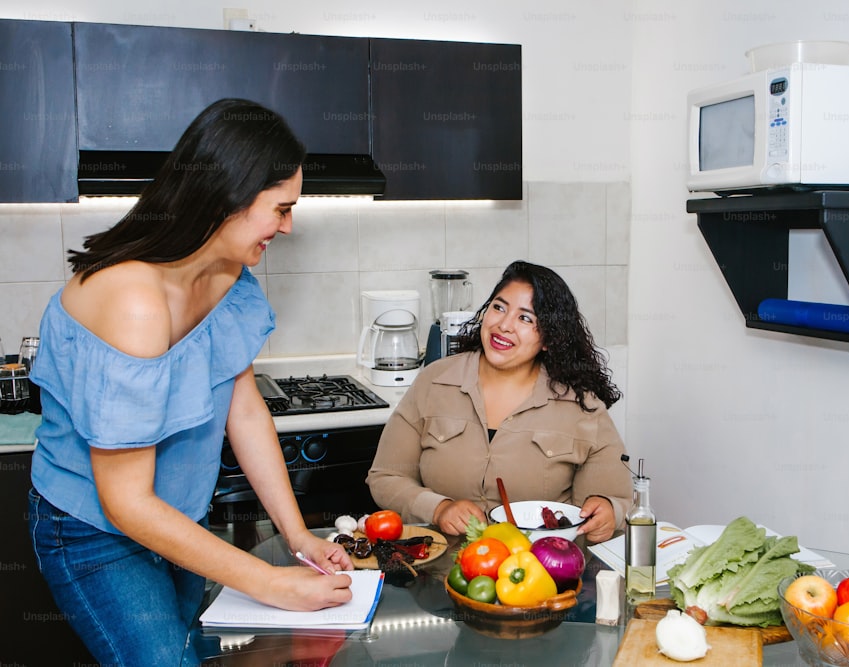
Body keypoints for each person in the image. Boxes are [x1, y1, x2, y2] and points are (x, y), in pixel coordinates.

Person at [27, 98, 354, 667]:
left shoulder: (230, 276)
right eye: (281, 208)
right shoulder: (134, 300)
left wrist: (297, 537)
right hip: (96, 532)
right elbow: (125, 502)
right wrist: (272, 584)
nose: (288, 224)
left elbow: (244, 409)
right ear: (230, 196)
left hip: (179, 519)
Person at [366, 260, 631, 543]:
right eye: (499, 307)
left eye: (525, 318)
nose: (504, 325)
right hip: (441, 567)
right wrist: (438, 509)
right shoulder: (434, 381)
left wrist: (608, 512)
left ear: (548, 340)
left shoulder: (581, 406)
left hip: (538, 574)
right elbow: (385, 477)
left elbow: (617, 502)